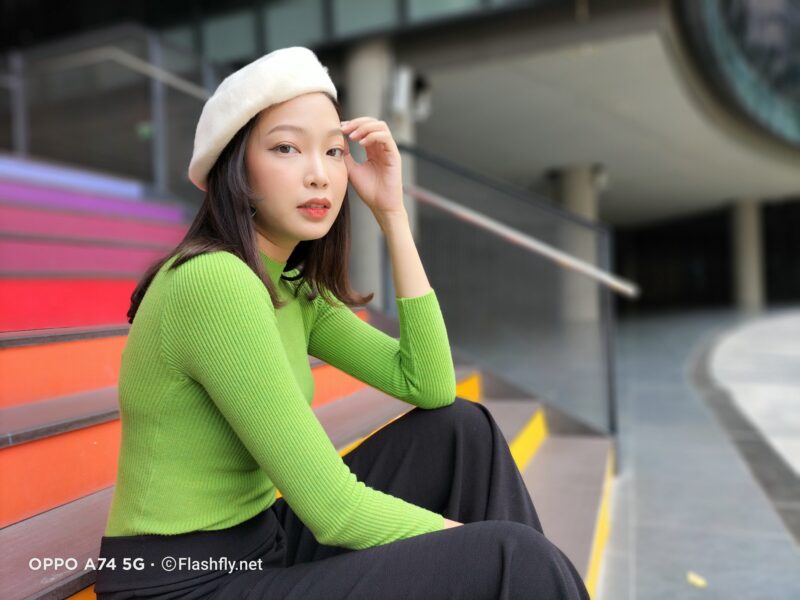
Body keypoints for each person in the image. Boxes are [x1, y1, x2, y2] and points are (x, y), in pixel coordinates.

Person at [94, 46, 590, 599]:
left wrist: (392, 213)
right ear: (234, 168)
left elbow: (429, 385)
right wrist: (470, 547)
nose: (319, 175)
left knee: (462, 431)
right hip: (182, 583)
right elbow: (334, 512)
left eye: (333, 151)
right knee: (516, 559)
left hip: (261, 544)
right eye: (286, 148)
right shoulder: (214, 282)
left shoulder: (288, 287)